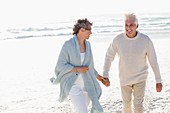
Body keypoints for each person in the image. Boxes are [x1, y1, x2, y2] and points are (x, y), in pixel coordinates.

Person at [102, 13, 163, 113]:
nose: (128, 28)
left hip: (140, 78)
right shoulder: (118, 40)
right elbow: (109, 56)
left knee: (138, 105)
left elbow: (153, 61)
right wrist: (105, 74)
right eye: (126, 25)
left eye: (131, 25)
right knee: (126, 105)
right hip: (124, 79)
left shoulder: (145, 40)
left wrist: (158, 80)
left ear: (137, 26)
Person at [50, 18, 105, 113]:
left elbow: (90, 67)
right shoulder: (68, 45)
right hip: (72, 84)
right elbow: (60, 66)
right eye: (89, 30)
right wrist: (76, 69)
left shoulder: (88, 45)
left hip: (87, 84)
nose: (91, 33)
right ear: (82, 30)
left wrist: (100, 78)